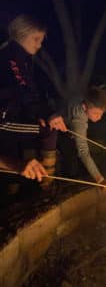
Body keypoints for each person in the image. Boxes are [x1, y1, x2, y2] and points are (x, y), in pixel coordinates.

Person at [0, 14, 67, 189]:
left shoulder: (19, 57)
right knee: (48, 129)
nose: (39, 44)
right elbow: (24, 92)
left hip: (11, 115)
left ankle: (14, 185)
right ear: (22, 34)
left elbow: (28, 93)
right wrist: (47, 114)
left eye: (41, 40)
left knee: (46, 125)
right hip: (4, 121)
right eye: (36, 39)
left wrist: (45, 113)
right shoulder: (11, 58)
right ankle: (46, 183)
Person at [69, 88, 106, 185]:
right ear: (84, 107)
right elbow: (83, 151)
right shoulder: (79, 121)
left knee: (100, 147)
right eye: (95, 113)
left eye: (101, 114)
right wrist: (100, 180)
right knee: (72, 162)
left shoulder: (85, 99)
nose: (99, 117)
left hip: (71, 126)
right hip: (59, 133)